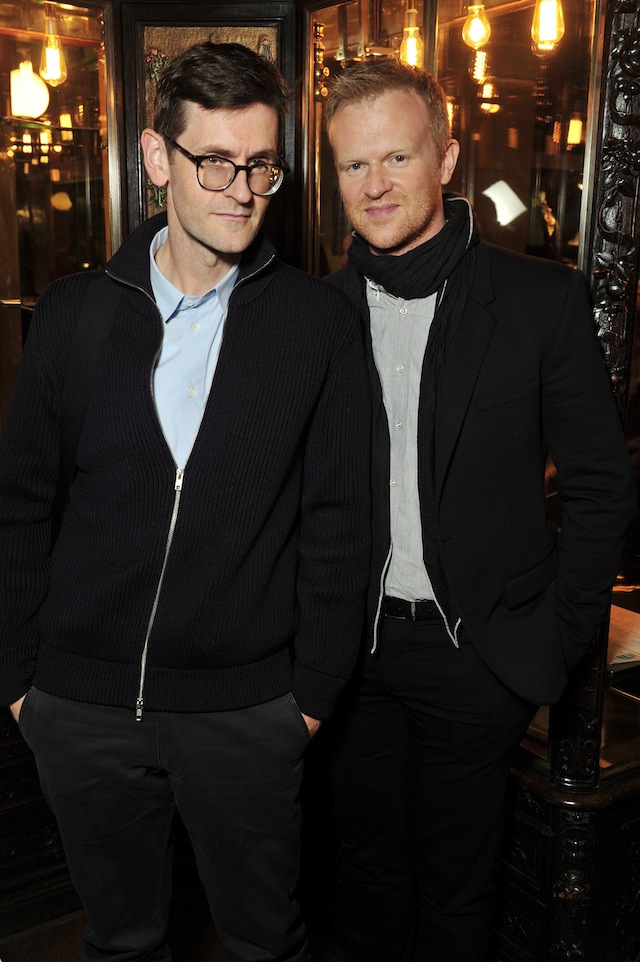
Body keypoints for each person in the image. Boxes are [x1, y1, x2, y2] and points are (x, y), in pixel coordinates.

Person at [0, 42, 371, 962]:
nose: (241, 191)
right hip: (78, 706)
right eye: (214, 162)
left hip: (246, 713)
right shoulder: (74, 313)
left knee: (264, 942)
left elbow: (339, 523)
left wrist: (309, 699)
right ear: (156, 158)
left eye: (260, 165)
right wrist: (20, 685)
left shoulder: (317, 322)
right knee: (122, 941)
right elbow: (20, 507)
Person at [321, 58, 636, 962]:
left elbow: (601, 487)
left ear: (447, 158)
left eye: (397, 157)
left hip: (479, 655)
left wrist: (556, 635)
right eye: (353, 164)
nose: (375, 185)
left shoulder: (538, 299)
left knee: (459, 889)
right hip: (349, 656)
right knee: (364, 877)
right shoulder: (315, 312)